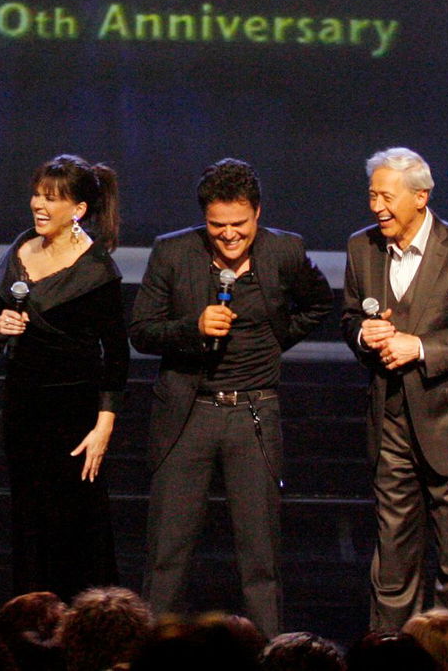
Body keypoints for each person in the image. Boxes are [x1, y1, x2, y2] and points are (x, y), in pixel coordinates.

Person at [129, 158, 335, 637]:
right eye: (216, 225)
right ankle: (155, 651)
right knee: (167, 554)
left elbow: (319, 303)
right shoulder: (172, 253)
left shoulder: (284, 250)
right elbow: (141, 330)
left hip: (253, 414)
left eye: (239, 224)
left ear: (257, 213)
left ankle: (269, 651)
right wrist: (193, 328)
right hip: (188, 414)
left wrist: (275, 341)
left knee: (260, 556)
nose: (228, 235)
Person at [341, 148, 448, 639]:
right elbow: (350, 317)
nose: (377, 207)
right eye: (372, 195)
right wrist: (363, 335)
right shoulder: (361, 247)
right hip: (390, 423)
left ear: (421, 197)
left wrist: (420, 347)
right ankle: (390, 655)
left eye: (386, 197)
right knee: (392, 559)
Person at [0, 154, 127, 600]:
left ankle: (83, 622)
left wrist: (104, 426)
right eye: (37, 195)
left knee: (74, 526)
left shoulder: (97, 270)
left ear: (78, 209)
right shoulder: (20, 249)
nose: (38, 205)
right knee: (28, 521)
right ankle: (32, 615)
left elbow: (116, 354)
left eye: (51, 198)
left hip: (73, 418)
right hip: (23, 409)